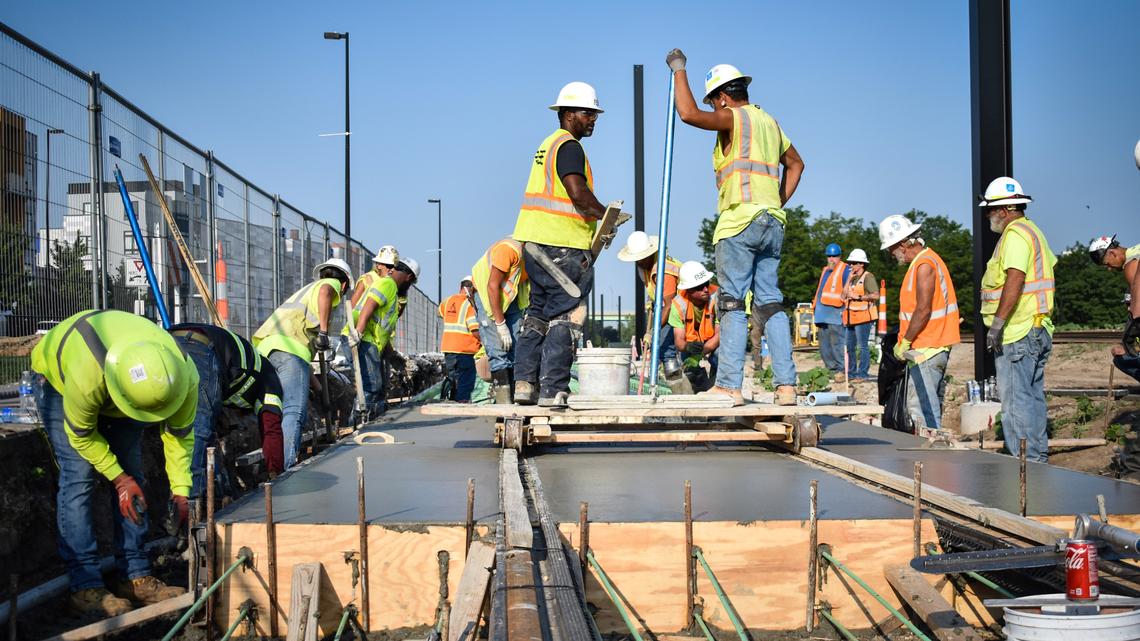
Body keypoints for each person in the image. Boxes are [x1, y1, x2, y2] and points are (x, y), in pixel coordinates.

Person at [31, 310, 196, 615]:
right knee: (78, 479)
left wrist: (181, 489)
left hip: (121, 386)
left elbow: (180, 436)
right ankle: (85, 586)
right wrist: (119, 479)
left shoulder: (184, 376)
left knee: (135, 475)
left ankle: (135, 577)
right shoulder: (88, 372)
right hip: (61, 379)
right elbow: (81, 436)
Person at [666, 49, 803, 406]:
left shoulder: (733, 117)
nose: (715, 109)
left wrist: (679, 70)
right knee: (770, 303)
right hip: (772, 220)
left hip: (739, 221)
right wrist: (773, 201)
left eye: (715, 101)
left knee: (730, 304)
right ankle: (786, 387)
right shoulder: (769, 122)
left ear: (723, 96)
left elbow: (687, 113)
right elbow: (797, 165)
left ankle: (728, 384)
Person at [512, 81, 611, 406]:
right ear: (568, 114)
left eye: (594, 113)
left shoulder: (548, 144)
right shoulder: (570, 146)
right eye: (587, 112)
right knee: (568, 315)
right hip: (562, 248)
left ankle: (525, 384)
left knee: (537, 313)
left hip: (535, 247)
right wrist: (606, 215)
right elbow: (577, 192)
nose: (593, 119)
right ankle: (555, 389)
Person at [979, 177, 1057, 463]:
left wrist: (997, 325)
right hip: (1037, 326)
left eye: (990, 209)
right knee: (1033, 399)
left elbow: (1015, 278)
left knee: (1016, 403)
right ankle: (1037, 458)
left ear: (1006, 208)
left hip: (1018, 330)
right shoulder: (1034, 232)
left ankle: (1026, 464)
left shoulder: (1014, 235)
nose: (988, 215)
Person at [252, 258, 352, 467]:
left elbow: (299, 362)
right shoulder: (329, 285)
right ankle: (285, 468)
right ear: (344, 285)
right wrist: (324, 332)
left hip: (267, 350)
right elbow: (326, 290)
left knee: (272, 409)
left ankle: (270, 465)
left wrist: (315, 387)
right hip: (290, 350)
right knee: (293, 410)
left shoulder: (306, 292)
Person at [168, 323, 285, 498]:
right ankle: (191, 503)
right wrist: (276, 474)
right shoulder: (272, 384)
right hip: (200, 349)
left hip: (169, 341)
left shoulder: (247, 373)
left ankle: (206, 496)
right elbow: (271, 429)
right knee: (199, 430)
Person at [879, 214, 961, 436]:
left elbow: (923, 309)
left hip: (928, 347)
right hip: (928, 346)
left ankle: (929, 458)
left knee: (922, 409)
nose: (890, 253)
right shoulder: (923, 262)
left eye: (891, 247)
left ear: (905, 243)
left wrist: (905, 341)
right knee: (924, 405)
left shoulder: (924, 265)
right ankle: (928, 456)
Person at [1088, 235, 1140, 479]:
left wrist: (1126, 342)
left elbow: (1138, 312)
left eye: (1107, 264)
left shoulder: (1132, 264)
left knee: (1124, 359)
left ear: (1112, 252)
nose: (1109, 269)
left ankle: (1133, 471)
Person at [343, 257, 420, 417]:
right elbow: (369, 305)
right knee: (371, 386)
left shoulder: (390, 287)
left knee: (375, 388)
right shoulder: (388, 284)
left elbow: (382, 329)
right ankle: (359, 425)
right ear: (409, 278)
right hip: (363, 339)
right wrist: (359, 332)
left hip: (368, 340)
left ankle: (370, 423)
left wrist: (392, 354)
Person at [470, 237, 529, 403]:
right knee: (498, 351)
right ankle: (504, 403)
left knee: (516, 350)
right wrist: (501, 324)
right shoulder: (509, 249)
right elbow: (492, 286)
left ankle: (516, 399)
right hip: (488, 296)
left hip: (511, 298)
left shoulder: (535, 258)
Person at [617, 230, 683, 373]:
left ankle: (678, 384)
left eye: (641, 258)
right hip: (669, 309)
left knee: (664, 349)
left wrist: (653, 331)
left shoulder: (663, 270)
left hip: (678, 311)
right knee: (659, 348)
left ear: (649, 254)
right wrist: (650, 300)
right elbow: (654, 290)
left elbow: (670, 305)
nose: (639, 262)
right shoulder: (645, 267)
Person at [670, 261, 721, 392]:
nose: (705, 289)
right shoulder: (678, 305)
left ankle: (720, 387)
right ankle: (698, 389)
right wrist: (688, 347)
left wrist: (700, 354)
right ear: (689, 290)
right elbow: (679, 342)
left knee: (719, 356)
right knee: (688, 367)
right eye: (699, 287)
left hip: (715, 340)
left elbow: (721, 334)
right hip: (692, 342)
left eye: (706, 284)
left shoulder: (717, 296)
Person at [439, 277, 483, 402]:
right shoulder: (469, 304)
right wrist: (485, 342)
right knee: (465, 379)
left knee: (453, 378)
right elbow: (474, 330)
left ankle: (452, 400)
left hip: (448, 347)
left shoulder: (447, 301)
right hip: (464, 349)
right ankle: (462, 402)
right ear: (473, 290)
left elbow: (441, 313)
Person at [813, 243, 850, 381]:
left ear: (840, 257)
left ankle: (841, 370)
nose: (831, 259)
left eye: (834, 256)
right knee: (824, 346)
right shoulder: (825, 270)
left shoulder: (845, 270)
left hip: (836, 313)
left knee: (837, 343)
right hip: (822, 314)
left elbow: (848, 289)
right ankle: (830, 369)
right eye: (829, 256)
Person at [841, 249, 879, 381]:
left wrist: (858, 297)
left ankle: (862, 374)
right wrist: (848, 280)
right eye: (849, 263)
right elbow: (843, 295)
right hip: (851, 318)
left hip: (863, 318)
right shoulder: (851, 278)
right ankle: (851, 373)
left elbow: (876, 295)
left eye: (853, 263)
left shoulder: (868, 277)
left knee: (862, 346)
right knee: (849, 346)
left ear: (861, 264)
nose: (850, 265)